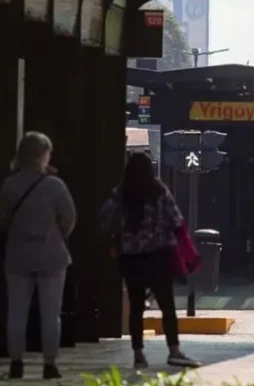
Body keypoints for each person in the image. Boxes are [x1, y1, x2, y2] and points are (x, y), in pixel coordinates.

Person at [99, 153, 198, 370]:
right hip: (158, 256)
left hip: (130, 258)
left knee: (136, 306)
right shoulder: (159, 191)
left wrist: (117, 239)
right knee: (167, 305)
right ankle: (174, 351)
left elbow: (105, 220)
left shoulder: (120, 194)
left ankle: (139, 355)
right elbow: (176, 220)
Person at [0, 132, 75, 380]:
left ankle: (16, 362)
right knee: (51, 312)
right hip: (51, 256)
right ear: (43, 155)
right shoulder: (55, 186)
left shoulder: (10, 185)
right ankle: (49, 363)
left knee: (17, 311)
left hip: (18, 256)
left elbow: (4, 220)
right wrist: (56, 235)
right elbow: (69, 219)